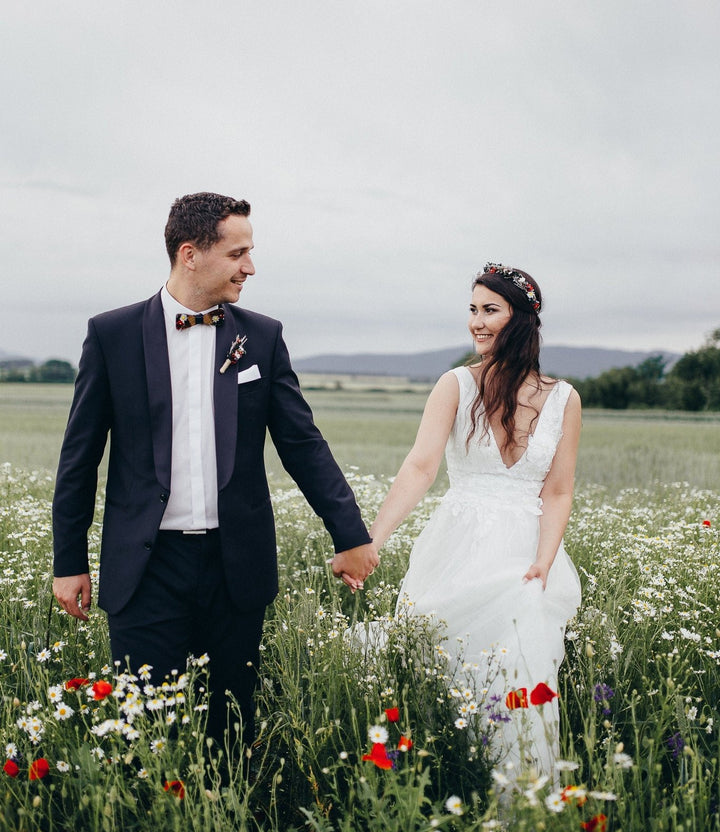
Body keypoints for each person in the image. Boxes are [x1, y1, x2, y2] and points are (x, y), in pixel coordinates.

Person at [53, 192, 378, 754]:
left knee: (231, 732)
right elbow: (79, 456)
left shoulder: (263, 336)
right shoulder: (113, 335)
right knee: (146, 735)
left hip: (236, 568)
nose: (250, 267)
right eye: (238, 253)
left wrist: (350, 534)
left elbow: (302, 443)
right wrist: (68, 561)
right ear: (190, 254)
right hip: (145, 570)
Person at [336, 263, 581, 776]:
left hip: (528, 553)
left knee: (521, 669)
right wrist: (370, 541)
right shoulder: (455, 385)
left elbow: (558, 490)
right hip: (459, 544)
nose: (477, 321)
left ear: (522, 319)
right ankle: (448, 770)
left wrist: (544, 561)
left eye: (490, 309)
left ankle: (525, 786)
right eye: (473, 309)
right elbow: (420, 468)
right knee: (446, 663)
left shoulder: (564, 398)